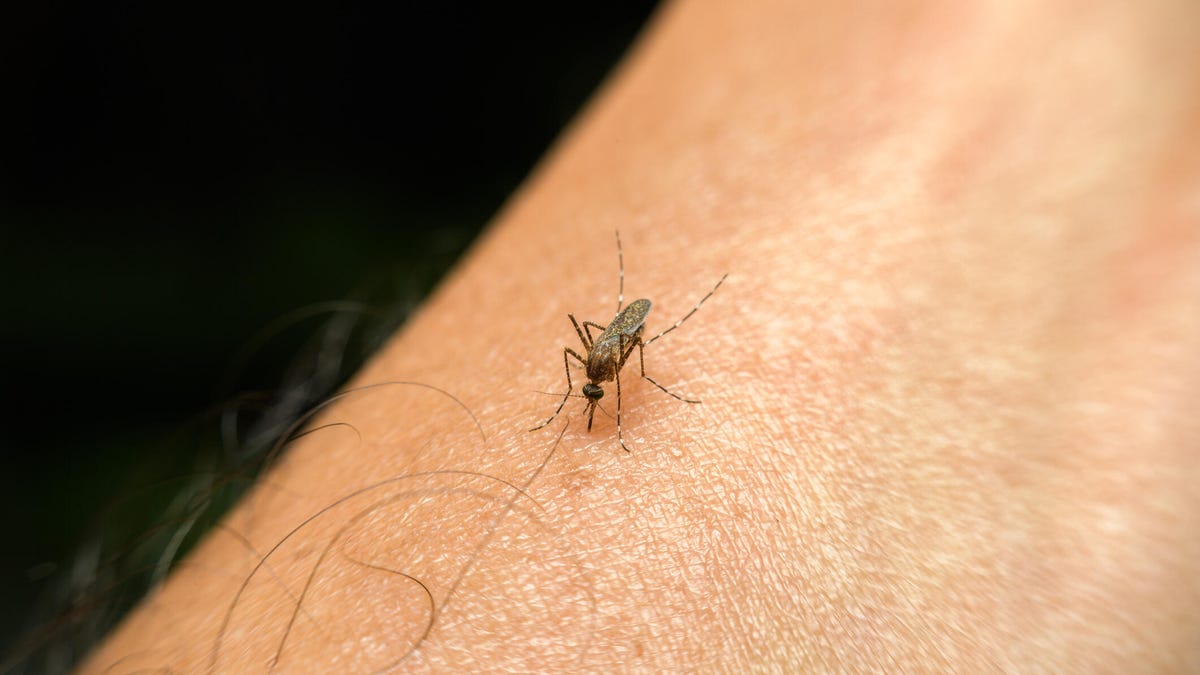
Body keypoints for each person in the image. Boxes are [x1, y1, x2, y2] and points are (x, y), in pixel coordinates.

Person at [84, 1, 1200, 671]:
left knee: (635, 332)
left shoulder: (624, 362)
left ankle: (673, 306)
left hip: (643, 320)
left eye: (601, 383)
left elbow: (616, 353)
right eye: (597, 384)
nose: (601, 385)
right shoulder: (594, 377)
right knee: (591, 336)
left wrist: (629, 348)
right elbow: (586, 364)